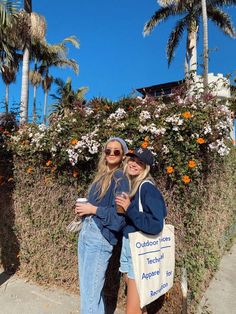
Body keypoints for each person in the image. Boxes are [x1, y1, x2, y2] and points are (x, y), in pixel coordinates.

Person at [75, 137, 130, 314]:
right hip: (87, 231)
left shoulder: (121, 179)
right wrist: (84, 210)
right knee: (87, 290)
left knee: (90, 293)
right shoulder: (102, 176)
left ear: (122, 156)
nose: (112, 154)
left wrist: (92, 208)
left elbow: (119, 218)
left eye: (116, 151)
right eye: (108, 150)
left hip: (100, 237)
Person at [115, 147, 167, 314]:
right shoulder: (132, 185)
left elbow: (156, 223)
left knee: (132, 310)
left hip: (139, 249)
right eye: (132, 160)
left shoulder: (147, 188)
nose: (134, 164)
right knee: (138, 304)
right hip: (131, 246)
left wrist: (130, 209)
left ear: (146, 168)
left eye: (140, 163)